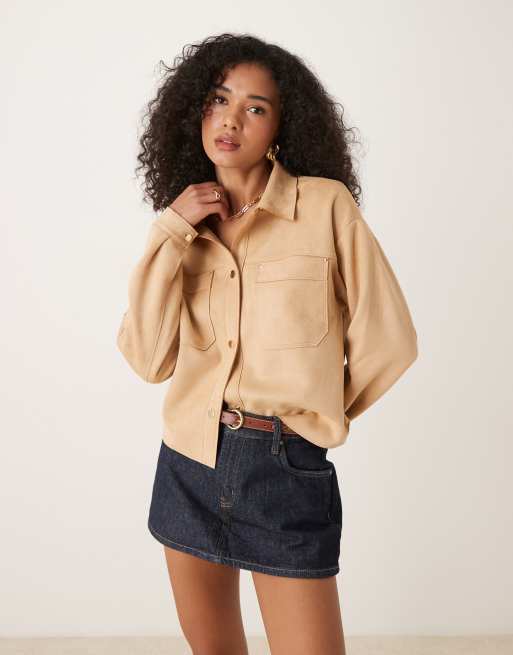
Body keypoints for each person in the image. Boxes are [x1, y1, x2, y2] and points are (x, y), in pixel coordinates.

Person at [116, 32, 418, 655]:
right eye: (219, 99)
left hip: (286, 467)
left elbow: (389, 340)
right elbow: (148, 359)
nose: (231, 119)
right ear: (195, 110)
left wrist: (311, 415)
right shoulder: (185, 228)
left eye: (255, 107)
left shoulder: (325, 207)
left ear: (282, 126)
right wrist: (170, 231)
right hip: (189, 463)